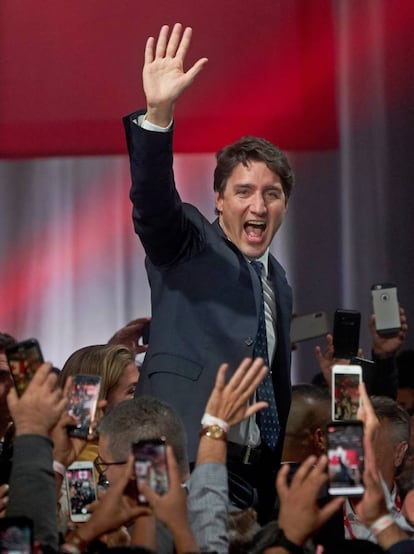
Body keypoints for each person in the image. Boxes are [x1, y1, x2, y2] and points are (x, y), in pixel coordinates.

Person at [123, 23, 294, 522]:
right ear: (219, 200)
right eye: (243, 191)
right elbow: (153, 203)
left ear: (284, 205)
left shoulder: (278, 281)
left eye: (271, 193)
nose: (257, 204)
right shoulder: (190, 242)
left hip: (253, 478)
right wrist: (158, 115)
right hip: (180, 461)